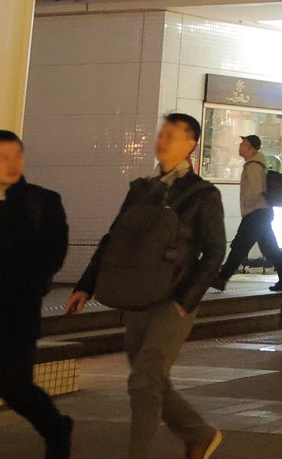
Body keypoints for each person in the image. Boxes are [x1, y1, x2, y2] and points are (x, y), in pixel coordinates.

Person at [65, 114, 225, 459]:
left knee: (143, 380)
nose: (162, 140)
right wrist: (86, 285)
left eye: (171, 135)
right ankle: (199, 434)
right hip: (139, 294)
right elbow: (115, 238)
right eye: (161, 134)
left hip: (174, 298)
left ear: (190, 145)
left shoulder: (202, 194)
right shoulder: (141, 189)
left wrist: (185, 299)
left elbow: (215, 252)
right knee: (149, 379)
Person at [0, 129, 73, 459]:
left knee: (14, 387)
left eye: (17, 156)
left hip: (15, 312)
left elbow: (54, 253)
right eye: (3, 157)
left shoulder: (41, 201)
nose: (13, 163)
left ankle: (56, 429)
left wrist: (31, 286)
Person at [213, 135, 282, 292]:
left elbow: (256, 191)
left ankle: (222, 278)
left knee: (240, 246)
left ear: (251, 148)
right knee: (268, 247)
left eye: (243, 144)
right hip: (260, 212)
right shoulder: (255, 164)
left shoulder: (254, 166)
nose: (240, 146)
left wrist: (247, 205)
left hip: (256, 212)